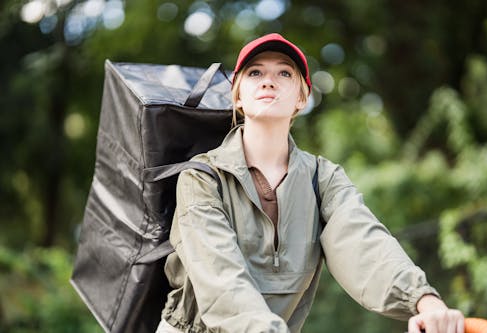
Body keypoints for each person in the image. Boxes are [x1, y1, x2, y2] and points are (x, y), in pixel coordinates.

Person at [156, 33, 464, 333]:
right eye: (254, 72)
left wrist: (424, 300)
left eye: (285, 73)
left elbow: (363, 244)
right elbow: (220, 277)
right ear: (237, 96)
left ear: (302, 97)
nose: (268, 80)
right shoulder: (202, 177)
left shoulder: (323, 179)